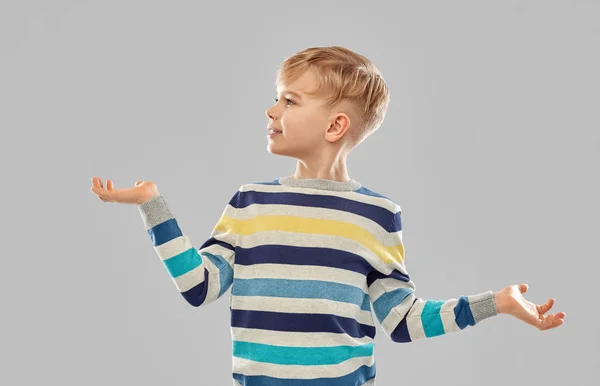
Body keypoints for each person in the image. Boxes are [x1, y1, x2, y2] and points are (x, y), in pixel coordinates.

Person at [90, 46, 565, 386]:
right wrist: (152, 205)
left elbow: (401, 321)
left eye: (289, 100)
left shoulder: (377, 216)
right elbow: (200, 287)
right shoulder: (250, 202)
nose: (271, 109)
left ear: (336, 125)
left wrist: (497, 302)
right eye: (277, 96)